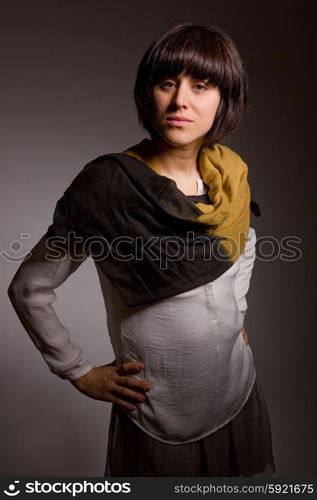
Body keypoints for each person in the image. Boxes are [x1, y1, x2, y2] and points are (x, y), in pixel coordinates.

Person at [7, 22, 275, 477]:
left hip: (236, 388)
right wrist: (76, 370)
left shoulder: (230, 176)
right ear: (146, 92)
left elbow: (243, 243)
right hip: (160, 412)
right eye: (167, 83)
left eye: (201, 85)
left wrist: (236, 312)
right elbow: (29, 289)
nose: (180, 101)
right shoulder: (106, 188)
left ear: (224, 99)